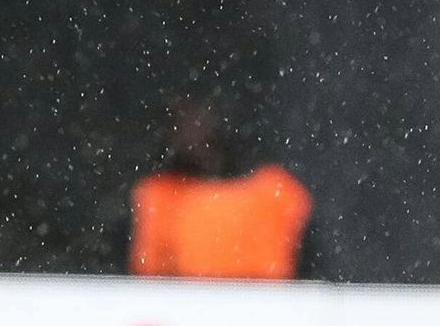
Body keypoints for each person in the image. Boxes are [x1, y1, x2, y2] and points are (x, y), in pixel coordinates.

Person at [130, 97, 316, 280]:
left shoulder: (277, 194)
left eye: (202, 119)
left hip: (265, 305)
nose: (194, 131)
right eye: (184, 121)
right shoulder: (155, 197)